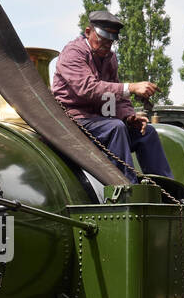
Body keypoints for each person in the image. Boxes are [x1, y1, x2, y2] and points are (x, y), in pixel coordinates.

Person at [52, 10, 174, 183]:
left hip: (99, 122)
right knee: (115, 128)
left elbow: (116, 96)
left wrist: (129, 116)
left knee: (147, 133)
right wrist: (131, 87)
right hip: (73, 121)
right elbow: (88, 88)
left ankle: (166, 189)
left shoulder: (109, 58)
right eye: (103, 39)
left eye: (111, 41)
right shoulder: (72, 53)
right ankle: (127, 187)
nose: (107, 45)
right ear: (88, 32)